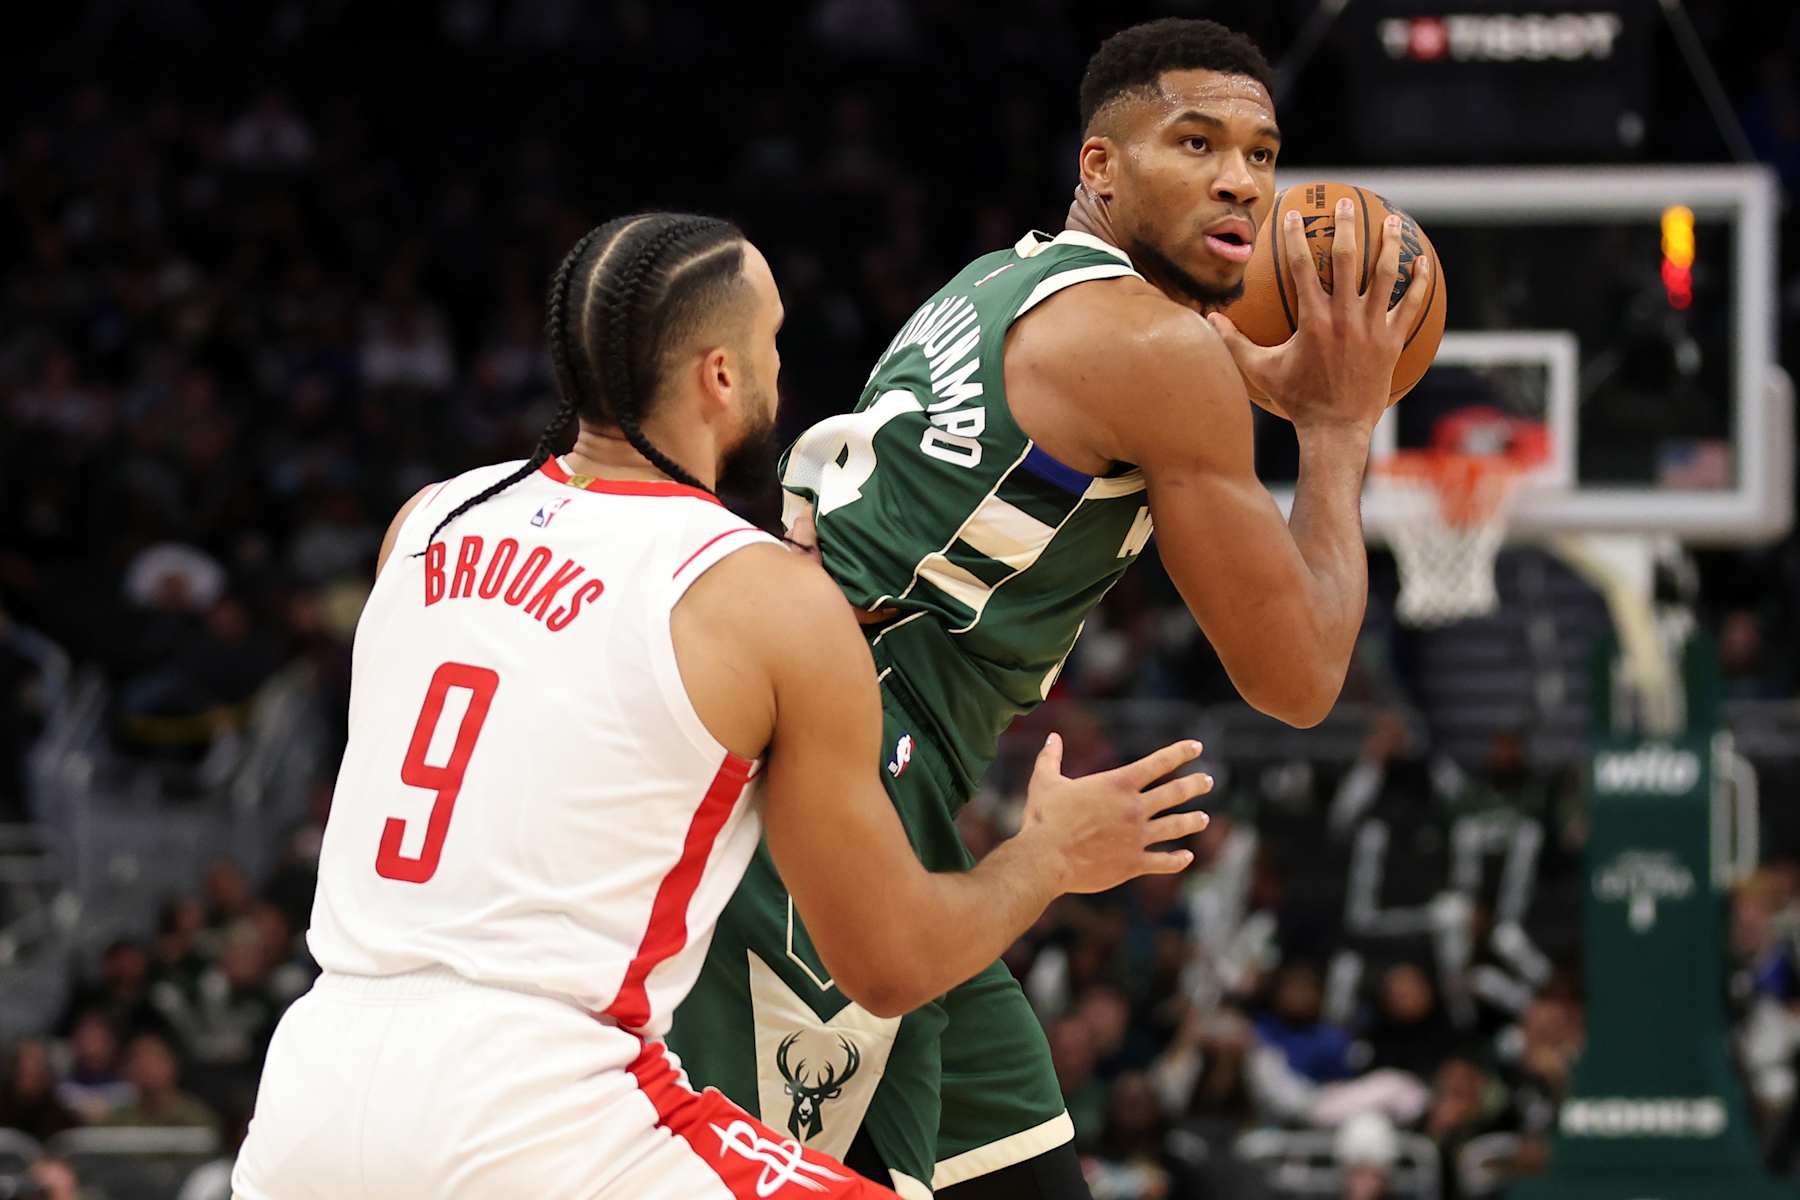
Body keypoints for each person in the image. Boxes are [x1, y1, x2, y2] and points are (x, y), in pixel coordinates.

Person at [232, 213, 1213, 1199]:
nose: (780, 376)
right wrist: (1047, 857)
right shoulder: (761, 596)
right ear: (720, 377)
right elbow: (892, 964)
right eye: (773, 343)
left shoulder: (428, 516)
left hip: (312, 1086)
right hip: (542, 1106)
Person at [672, 16, 1430, 1199]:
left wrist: (1253, 373)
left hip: (861, 780)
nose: (1241, 179)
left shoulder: (1005, 282)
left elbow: (1146, 361)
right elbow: (1299, 679)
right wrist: (1335, 432)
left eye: (1263, 153)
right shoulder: (1155, 349)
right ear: (1101, 167)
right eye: (1196, 142)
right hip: (823, 816)